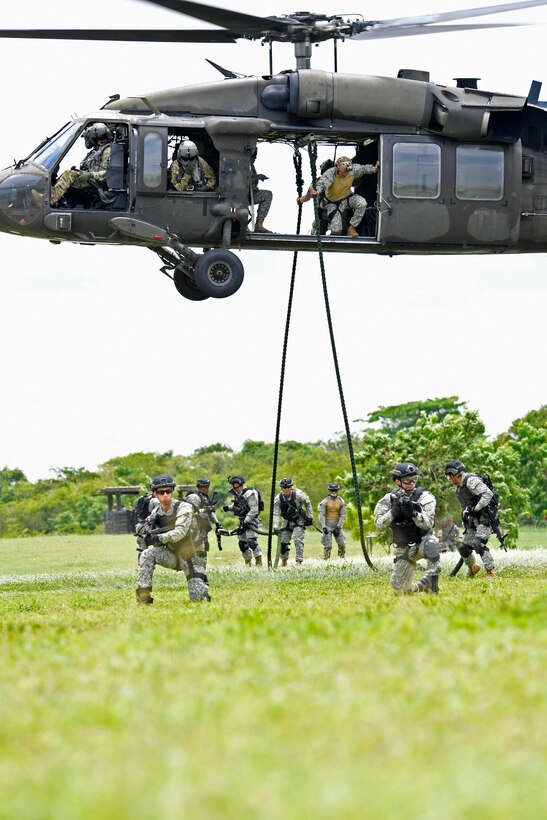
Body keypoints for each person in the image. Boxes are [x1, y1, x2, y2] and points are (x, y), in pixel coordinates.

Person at [136, 474, 210, 604]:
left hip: (192, 555)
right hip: (172, 554)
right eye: (161, 492)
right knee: (146, 554)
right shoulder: (156, 512)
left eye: (168, 491)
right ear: (154, 494)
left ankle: (201, 587)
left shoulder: (184, 508)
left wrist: (158, 538)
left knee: (198, 600)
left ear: (173, 491)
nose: (165, 494)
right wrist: (145, 534)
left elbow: (179, 532)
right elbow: (145, 530)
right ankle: (143, 597)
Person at [374, 462, 441, 594]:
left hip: (422, 542)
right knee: (401, 590)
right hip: (403, 549)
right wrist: (394, 511)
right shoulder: (388, 499)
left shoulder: (425, 497)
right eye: (407, 480)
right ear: (398, 481)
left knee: (432, 544)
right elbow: (379, 526)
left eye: (414, 480)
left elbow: (428, 523)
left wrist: (414, 513)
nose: (411, 483)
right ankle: (423, 585)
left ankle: (433, 582)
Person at [33, 122, 113, 208]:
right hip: (92, 179)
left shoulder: (107, 151)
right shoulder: (97, 151)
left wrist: (90, 175)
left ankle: (49, 200)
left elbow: (109, 173)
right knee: (67, 175)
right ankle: (51, 196)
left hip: (97, 183)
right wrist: (81, 172)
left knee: (69, 174)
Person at [297, 155, 380, 237]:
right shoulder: (325, 179)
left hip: (343, 208)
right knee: (328, 229)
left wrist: (375, 168)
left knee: (360, 204)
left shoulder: (349, 172)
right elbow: (311, 193)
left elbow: (361, 171)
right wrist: (301, 200)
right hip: (327, 212)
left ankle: (351, 229)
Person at [444, 460, 496, 578]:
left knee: (478, 543)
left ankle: (490, 572)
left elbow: (488, 494)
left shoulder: (471, 481)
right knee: (464, 548)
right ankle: (473, 568)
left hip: (484, 518)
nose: (450, 480)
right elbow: (465, 507)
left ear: (453, 475)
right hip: (472, 521)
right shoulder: (459, 488)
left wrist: (477, 508)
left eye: (449, 477)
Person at [223, 475, 263, 566]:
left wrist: (247, 520)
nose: (234, 486)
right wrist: (228, 508)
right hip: (242, 521)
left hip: (251, 521)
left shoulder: (249, 493)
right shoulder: (236, 494)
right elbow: (237, 507)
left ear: (240, 483)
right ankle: (248, 564)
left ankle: (259, 563)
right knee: (242, 544)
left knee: (251, 542)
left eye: (236, 484)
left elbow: (254, 509)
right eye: (232, 484)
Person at [272, 477, 313, 566]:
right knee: (283, 542)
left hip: (298, 519)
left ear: (291, 487)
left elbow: (308, 504)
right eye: (284, 487)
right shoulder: (278, 499)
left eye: (288, 487)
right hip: (286, 520)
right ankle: (284, 562)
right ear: (281, 488)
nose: (286, 489)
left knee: (298, 540)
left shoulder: (299, 495)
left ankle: (299, 562)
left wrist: (310, 517)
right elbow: (275, 513)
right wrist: (275, 526)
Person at [185, 477, 221, 557]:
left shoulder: (205, 497)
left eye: (208, 486)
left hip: (203, 528)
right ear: (201, 487)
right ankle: (194, 566)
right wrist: (206, 509)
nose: (208, 489)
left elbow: (210, 513)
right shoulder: (194, 497)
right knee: (197, 548)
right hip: (195, 528)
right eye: (207, 487)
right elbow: (191, 512)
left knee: (204, 548)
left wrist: (217, 523)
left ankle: (201, 566)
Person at [318, 482, 347, 559]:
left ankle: (341, 559)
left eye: (335, 491)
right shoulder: (325, 502)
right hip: (327, 525)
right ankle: (326, 560)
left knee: (342, 544)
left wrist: (339, 526)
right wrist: (324, 526)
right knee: (328, 546)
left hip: (337, 525)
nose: (334, 492)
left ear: (337, 491)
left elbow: (343, 515)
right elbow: (322, 515)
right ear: (329, 491)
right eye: (332, 491)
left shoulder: (341, 501)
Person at [250, 148, 273, 233]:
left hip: (251, 193)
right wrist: (257, 177)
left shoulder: (251, 165)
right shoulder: (240, 164)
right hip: (240, 195)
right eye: (253, 156)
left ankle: (259, 225)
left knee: (267, 195)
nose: (254, 158)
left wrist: (257, 178)